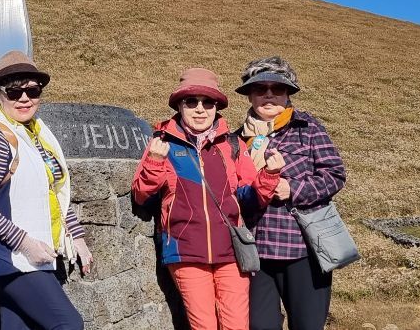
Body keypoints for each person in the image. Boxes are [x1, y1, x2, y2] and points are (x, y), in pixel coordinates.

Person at [132, 68, 280, 330]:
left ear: (216, 107)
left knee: (237, 325)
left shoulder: (232, 144)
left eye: (208, 102)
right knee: (204, 326)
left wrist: (269, 175)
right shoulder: (161, 143)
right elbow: (142, 195)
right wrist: (154, 162)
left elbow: (250, 198)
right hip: (185, 251)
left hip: (231, 252)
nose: (200, 109)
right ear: (180, 105)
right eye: (192, 101)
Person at [0, 50, 93, 330]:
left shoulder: (35, 134)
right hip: (8, 256)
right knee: (69, 324)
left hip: (27, 255)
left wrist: (76, 236)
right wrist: (24, 243)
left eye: (32, 91)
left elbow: (52, 192)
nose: (24, 98)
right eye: (14, 91)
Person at [232, 56, 347, 330]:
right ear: (250, 95)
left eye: (277, 88)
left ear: (288, 94)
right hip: (256, 251)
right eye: (260, 88)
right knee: (259, 326)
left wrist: (293, 189)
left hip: (303, 249)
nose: (268, 94)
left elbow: (335, 175)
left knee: (308, 325)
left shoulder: (308, 128)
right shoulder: (236, 139)